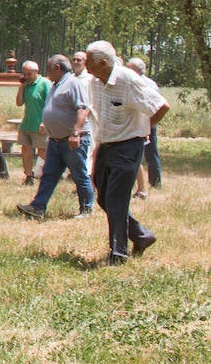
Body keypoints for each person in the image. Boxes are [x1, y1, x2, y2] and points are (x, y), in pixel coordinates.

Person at [84, 41, 169, 265]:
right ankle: (141, 235)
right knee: (103, 198)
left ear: (103, 63)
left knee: (117, 199)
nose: (85, 65)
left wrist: (142, 132)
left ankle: (118, 253)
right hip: (106, 145)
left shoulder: (128, 80)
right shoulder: (94, 82)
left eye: (88, 61)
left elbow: (161, 106)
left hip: (129, 146)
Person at [17, 55, 95, 220]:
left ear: (58, 68)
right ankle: (38, 207)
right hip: (56, 141)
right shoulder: (56, 85)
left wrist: (76, 133)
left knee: (79, 175)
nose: (47, 73)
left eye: (49, 69)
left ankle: (87, 209)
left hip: (72, 140)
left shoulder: (73, 83)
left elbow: (82, 109)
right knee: (49, 175)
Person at [126, 58, 163, 195]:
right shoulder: (142, 82)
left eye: (129, 68)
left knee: (150, 153)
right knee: (149, 154)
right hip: (140, 121)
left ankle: (155, 182)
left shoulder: (145, 84)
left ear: (137, 70)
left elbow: (156, 106)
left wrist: (148, 124)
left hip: (147, 121)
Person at [14, 61, 50, 185]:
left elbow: (51, 105)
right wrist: (21, 87)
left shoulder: (45, 84)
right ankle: (29, 176)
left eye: (28, 74)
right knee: (26, 151)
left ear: (36, 71)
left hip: (39, 125)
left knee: (42, 151)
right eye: (24, 74)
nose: (26, 76)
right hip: (26, 124)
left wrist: (45, 122)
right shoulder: (26, 85)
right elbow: (19, 103)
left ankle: (57, 171)